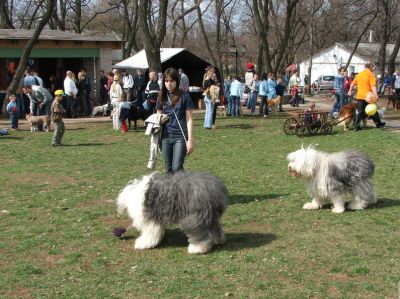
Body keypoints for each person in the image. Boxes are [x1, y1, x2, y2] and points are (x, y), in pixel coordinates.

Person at [156, 67, 194, 174]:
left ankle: (183, 190)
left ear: (177, 81)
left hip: (180, 136)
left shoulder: (185, 96)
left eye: (171, 81)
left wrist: (190, 140)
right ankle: (170, 191)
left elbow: (189, 119)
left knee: (177, 167)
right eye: (166, 81)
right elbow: (158, 116)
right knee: (168, 169)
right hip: (165, 136)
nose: (169, 83)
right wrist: (160, 119)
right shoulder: (161, 96)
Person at [347, 62, 385, 130]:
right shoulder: (370, 74)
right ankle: (378, 123)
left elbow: (353, 84)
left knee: (360, 111)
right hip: (368, 96)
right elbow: (373, 86)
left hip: (360, 96)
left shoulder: (360, 74)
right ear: (370, 67)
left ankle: (356, 126)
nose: (373, 68)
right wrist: (376, 95)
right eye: (372, 67)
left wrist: (350, 90)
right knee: (373, 109)